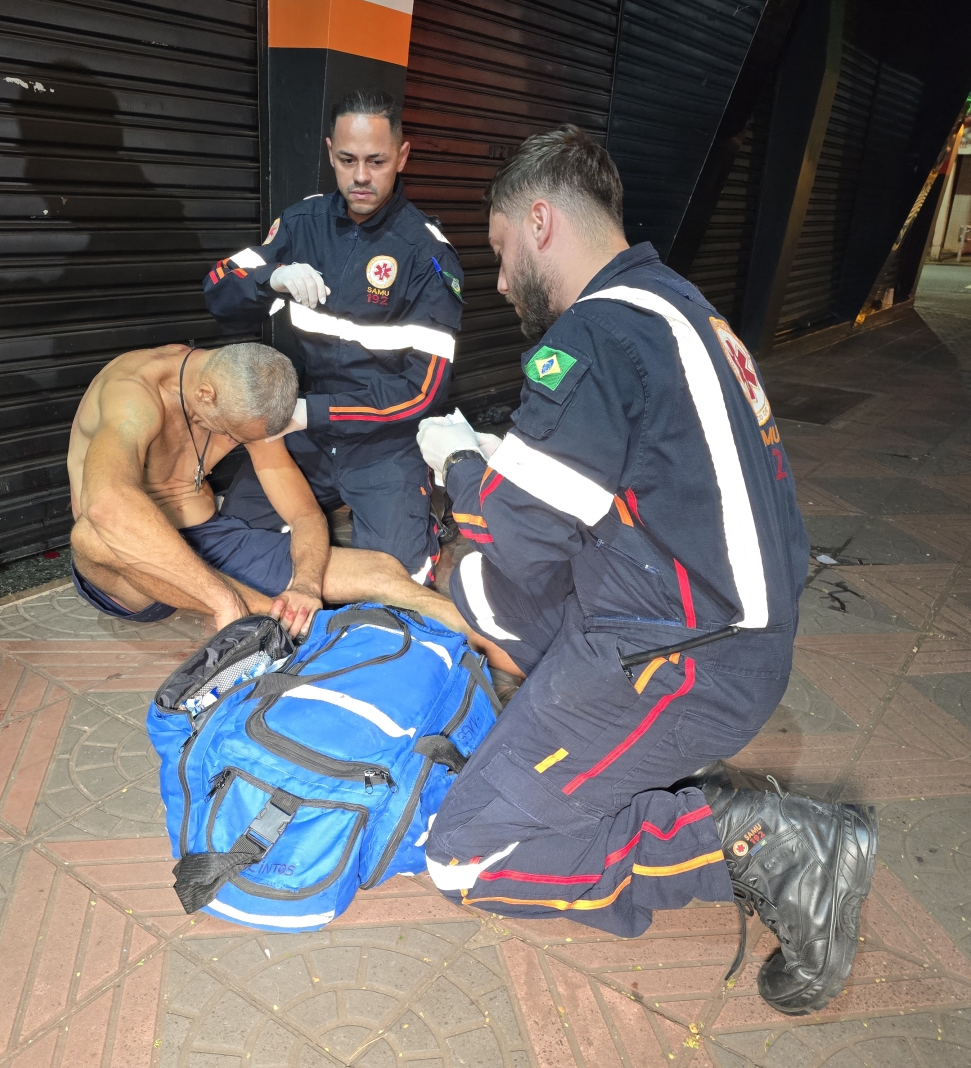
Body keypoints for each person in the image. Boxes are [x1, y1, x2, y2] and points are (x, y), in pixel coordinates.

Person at [414, 126, 877, 1016]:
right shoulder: (680, 308)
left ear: (542, 220)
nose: (502, 281)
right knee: (521, 639)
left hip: (674, 657)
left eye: (503, 251)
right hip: (726, 633)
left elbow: (510, 533)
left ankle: (756, 842)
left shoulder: (595, 334)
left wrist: (456, 462)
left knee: (465, 852)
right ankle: (634, 785)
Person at [66, 340, 504, 654]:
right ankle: (273, 621)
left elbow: (303, 512)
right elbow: (107, 505)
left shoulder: (244, 400)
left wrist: (306, 586)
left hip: (209, 535)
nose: (235, 443)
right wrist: (224, 600)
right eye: (233, 435)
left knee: (382, 569)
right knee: (92, 533)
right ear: (205, 397)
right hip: (129, 570)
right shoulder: (133, 396)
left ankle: (508, 646)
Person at [202, 88, 464, 584]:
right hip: (304, 439)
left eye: (376, 160)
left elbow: (425, 390)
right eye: (347, 160)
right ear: (329, 153)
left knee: (397, 578)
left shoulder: (427, 256)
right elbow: (217, 290)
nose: (361, 176)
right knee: (230, 541)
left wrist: (307, 412)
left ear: (402, 156)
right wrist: (268, 279)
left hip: (382, 442)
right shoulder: (301, 225)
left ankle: (416, 514)